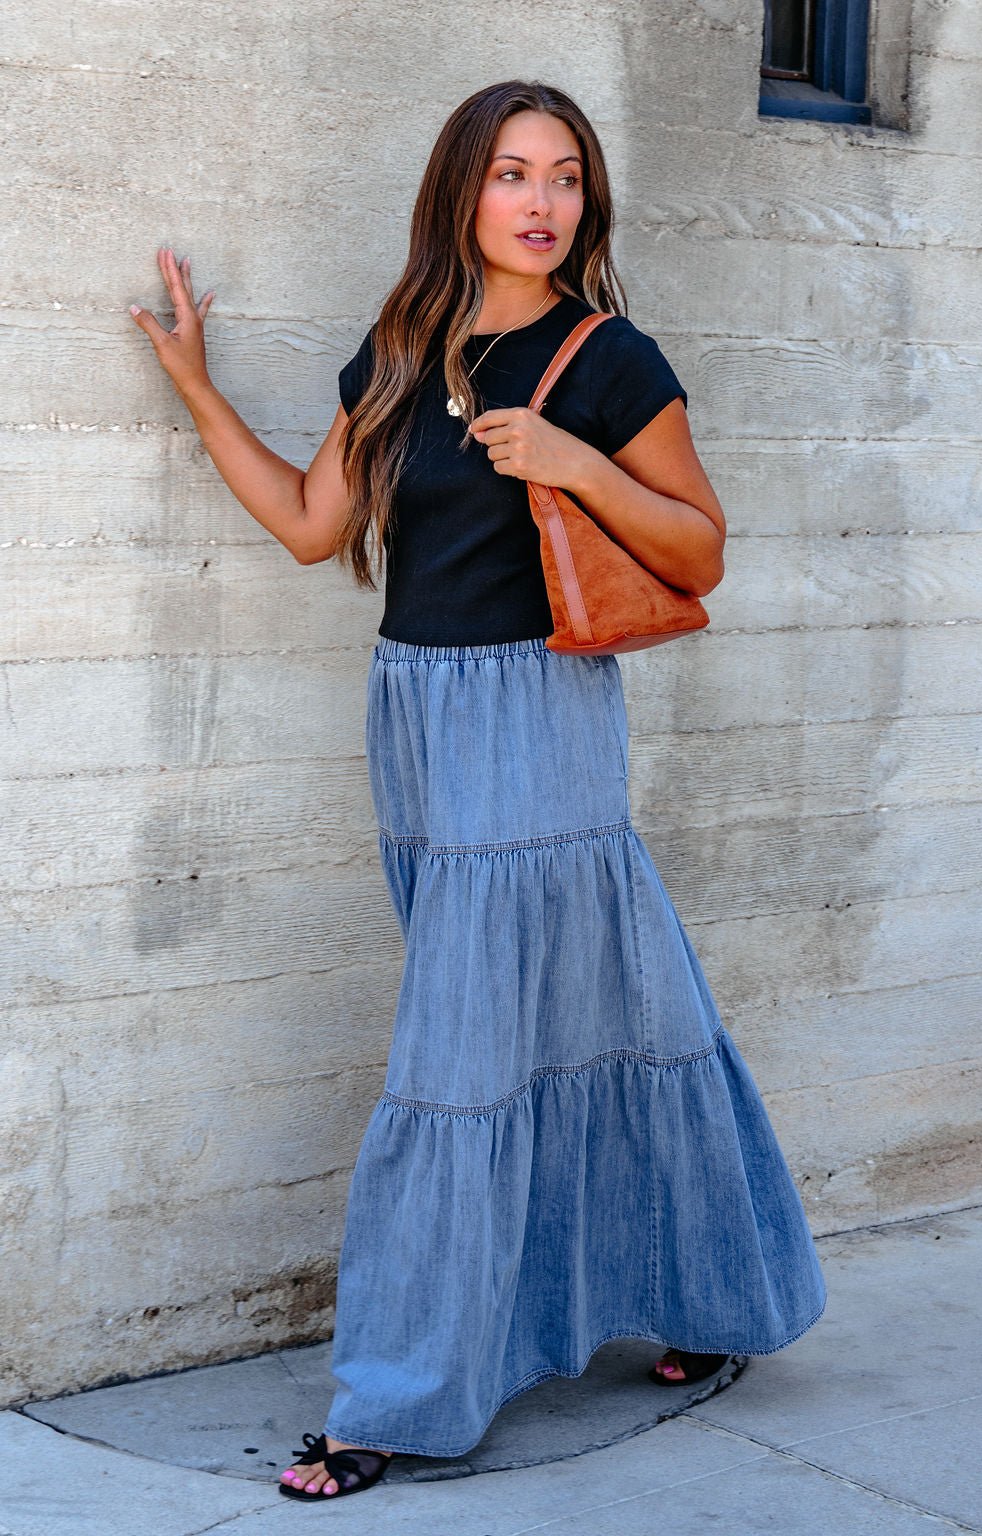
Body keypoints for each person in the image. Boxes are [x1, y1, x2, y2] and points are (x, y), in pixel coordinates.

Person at [130, 78, 827, 1504]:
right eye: (514, 173)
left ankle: (398, 1394)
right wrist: (201, 390)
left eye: (566, 177)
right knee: (597, 1012)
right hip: (419, 717)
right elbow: (319, 530)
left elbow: (699, 550)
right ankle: (711, 1298)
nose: (542, 201)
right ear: (462, 190)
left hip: (539, 715)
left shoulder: (609, 357)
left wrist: (575, 462)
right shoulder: (400, 350)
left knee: (458, 1063)